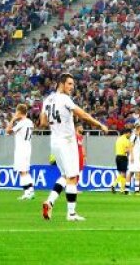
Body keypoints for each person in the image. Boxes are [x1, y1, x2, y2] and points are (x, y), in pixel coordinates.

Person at [39, 73, 109, 222]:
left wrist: (56, 122)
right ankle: (71, 214)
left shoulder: (48, 100)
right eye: (69, 84)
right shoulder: (65, 99)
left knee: (65, 176)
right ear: (61, 83)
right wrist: (99, 124)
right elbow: (82, 115)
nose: (72, 87)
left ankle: (50, 202)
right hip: (67, 141)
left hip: (55, 142)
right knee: (72, 177)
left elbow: (43, 123)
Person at [6, 104, 35, 200]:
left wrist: (13, 119)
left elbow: (8, 131)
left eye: (16, 112)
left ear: (19, 112)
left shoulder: (22, 122)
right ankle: (30, 191)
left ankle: (27, 192)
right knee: (25, 171)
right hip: (27, 147)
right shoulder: (30, 122)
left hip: (21, 148)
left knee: (22, 171)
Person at [113, 128, 133, 193]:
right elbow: (126, 150)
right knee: (123, 173)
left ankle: (122, 189)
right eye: (130, 134)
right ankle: (114, 185)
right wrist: (130, 149)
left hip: (117, 156)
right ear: (127, 133)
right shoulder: (126, 140)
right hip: (123, 157)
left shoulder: (118, 139)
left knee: (122, 173)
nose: (130, 136)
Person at [126, 126, 140, 195]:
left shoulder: (136, 136)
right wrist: (132, 156)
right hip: (134, 157)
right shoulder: (134, 136)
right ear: (139, 129)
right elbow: (131, 146)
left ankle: (126, 190)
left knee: (130, 172)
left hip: (134, 157)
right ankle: (136, 191)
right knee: (137, 173)